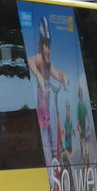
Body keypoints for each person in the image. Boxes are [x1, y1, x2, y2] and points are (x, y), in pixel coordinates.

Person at [27, 17, 68, 163]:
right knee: (45, 143)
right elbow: (30, 61)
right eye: (45, 45)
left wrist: (64, 79)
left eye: (49, 45)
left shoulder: (48, 64)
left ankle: (56, 168)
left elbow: (58, 74)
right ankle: (51, 176)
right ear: (41, 45)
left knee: (52, 141)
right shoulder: (39, 59)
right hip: (41, 112)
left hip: (48, 113)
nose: (48, 50)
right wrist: (39, 77)